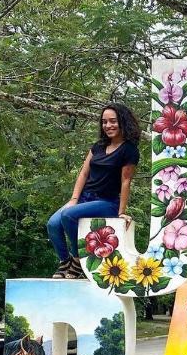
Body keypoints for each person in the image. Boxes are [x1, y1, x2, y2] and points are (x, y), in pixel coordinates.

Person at [47, 103, 140, 278]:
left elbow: (126, 181)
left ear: (122, 122)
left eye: (113, 121)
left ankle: (77, 260)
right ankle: (64, 262)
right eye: (104, 122)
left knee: (69, 215)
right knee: (53, 224)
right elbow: (83, 173)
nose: (108, 125)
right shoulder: (98, 146)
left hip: (107, 202)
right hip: (84, 198)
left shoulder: (129, 150)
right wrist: (74, 198)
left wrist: (121, 212)